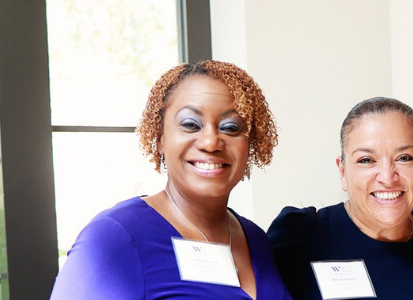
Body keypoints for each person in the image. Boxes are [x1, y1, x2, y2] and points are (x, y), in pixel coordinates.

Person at [51, 60, 291, 299]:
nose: (210, 142)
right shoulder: (114, 236)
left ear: (250, 144)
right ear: (160, 138)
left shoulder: (256, 239)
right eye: (190, 124)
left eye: (230, 127)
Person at [267, 97, 413, 300]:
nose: (387, 177)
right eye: (366, 160)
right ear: (342, 172)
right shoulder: (298, 236)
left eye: (404, 158)